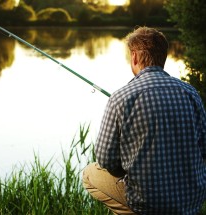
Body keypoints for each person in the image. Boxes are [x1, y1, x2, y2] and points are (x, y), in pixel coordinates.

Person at [82, 26, 206, 215]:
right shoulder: (191, 93)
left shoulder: (120, 97)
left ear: (135, 57)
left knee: (90, 174)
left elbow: (106, 159)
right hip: (191, 201)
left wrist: (128, 166)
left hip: (147, 203)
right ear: (163, 57)